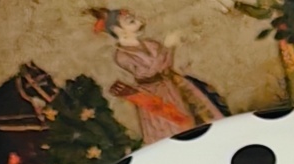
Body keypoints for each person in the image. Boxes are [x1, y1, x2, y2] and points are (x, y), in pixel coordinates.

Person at [90, 10, 226, 143]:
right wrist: (168, 47)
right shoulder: (122, 56)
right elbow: (149, 70)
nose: (138, 21)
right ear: (118, 30)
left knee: (192, 116)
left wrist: (169, 48)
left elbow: (166, 63)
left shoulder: (151, 44)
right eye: (131, 21)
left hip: (170, 86)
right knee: (168, 126)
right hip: (152, 93)